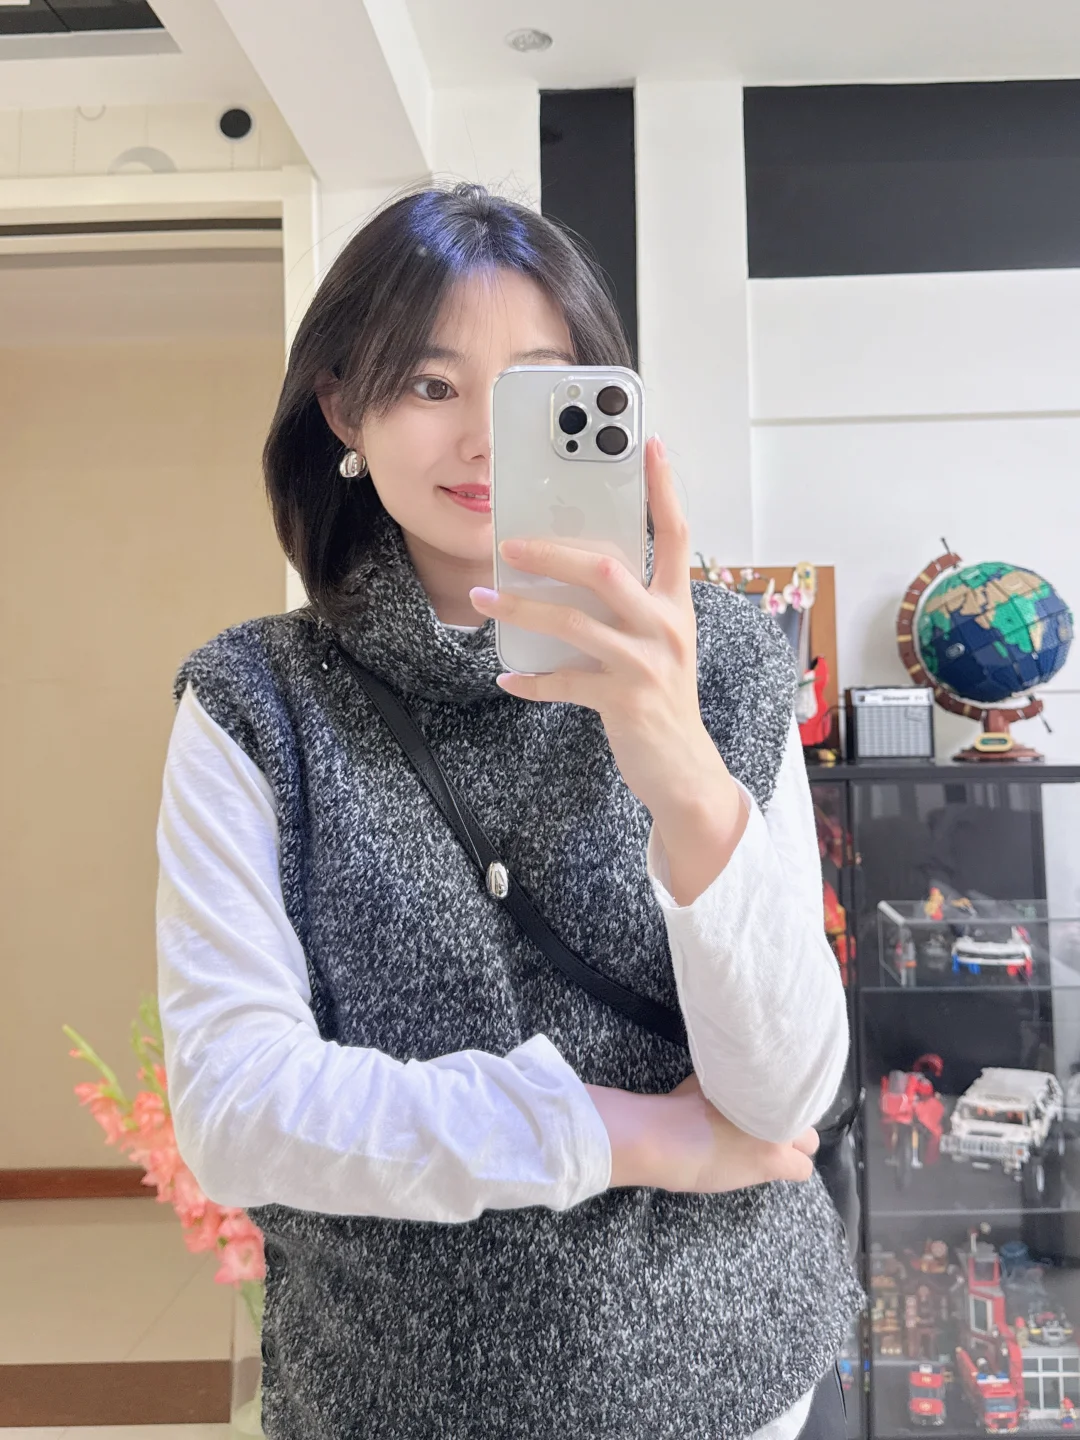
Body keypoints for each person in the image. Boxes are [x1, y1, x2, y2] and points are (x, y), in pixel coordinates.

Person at [156, 181, 863, 1440]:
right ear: (343, 412)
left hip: (733, 1385)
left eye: (539, 393)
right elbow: (238, 1114)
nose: (486, 441)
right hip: (391, 1398)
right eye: (432, 385)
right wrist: (622, 1134)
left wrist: (679, 765)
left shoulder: (728, 664)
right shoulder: (254, 702)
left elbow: (784, 1096)